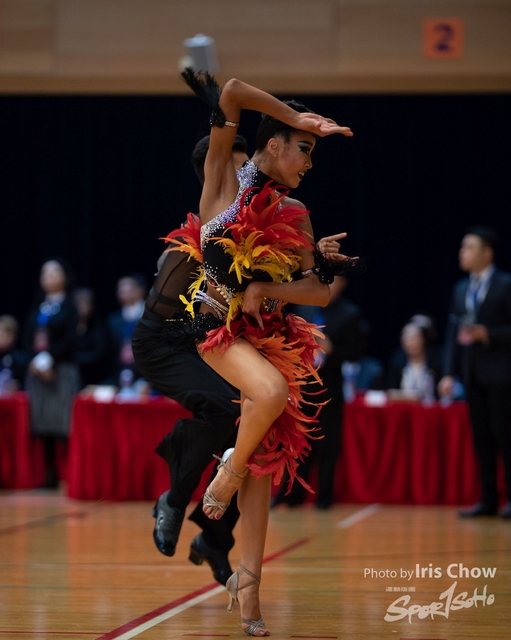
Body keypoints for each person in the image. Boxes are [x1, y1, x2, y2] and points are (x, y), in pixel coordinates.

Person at [165, 70, 355, 636]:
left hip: (270, 333)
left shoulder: (297, 213)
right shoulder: (225, 180)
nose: (310, 162)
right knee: (269, 394)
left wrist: (269, 287)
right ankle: (224, 476)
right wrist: (298, 116)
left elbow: (317, 292)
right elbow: (232, 91)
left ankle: (248, 589)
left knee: (266, 461)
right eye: (304, 149)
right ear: (273, 144)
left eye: (312, 152)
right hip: (216, 328)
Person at [133, 133, 347, 587]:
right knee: (229, 408)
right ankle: (175, 499)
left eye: (247, 166)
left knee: (255, 425)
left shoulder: (261, 222)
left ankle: (214, 537)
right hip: (166, 343)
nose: (246, 176)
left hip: (218, 338)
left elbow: (284, 280)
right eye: (235, 170)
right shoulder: (202, 235)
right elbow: (167, 318)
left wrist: (315, 262)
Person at [271, 276, 366, 509]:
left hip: (329, 388)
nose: (328, 285)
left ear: (343, 284)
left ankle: (324, 496)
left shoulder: (349, 314)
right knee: (297, 441)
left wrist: (333, 350)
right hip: (303, 386)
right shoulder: (305, 308)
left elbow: (356, 352)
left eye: (334, 281)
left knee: (328, 445)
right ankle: (291, 494)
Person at [438, 227, 511, 519]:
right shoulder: (460, 288)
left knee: (504, 436)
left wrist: (488, 334)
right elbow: (453, 335)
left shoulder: (505, 285)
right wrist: (448, 373)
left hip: (502, 374)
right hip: (473, 374)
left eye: (469, 247)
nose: (462, 253)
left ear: (487, 253)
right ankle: (488, 499)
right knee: (481, 438)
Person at [23, 259, 80, 488]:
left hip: (60, 370)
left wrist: (49, 359)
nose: (49, 277)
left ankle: (69, 474)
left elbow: (70, 339)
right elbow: (27, 336)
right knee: (42, 422)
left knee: (62, 422)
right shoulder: (38, 306)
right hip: (38, 372)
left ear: (65, 277)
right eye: (45, 273)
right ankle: (49, 474)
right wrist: (35, 360)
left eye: (55, 272)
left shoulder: (70, 306)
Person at [106, 273, 146, 385]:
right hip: (118, 377)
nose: (122, 290)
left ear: (140, 290)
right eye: (120, 288)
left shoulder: (154, 318)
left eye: (127, 287)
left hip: (148, 377)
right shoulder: (113, 320)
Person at [387, 321, 442, 399]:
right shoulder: (398, 361)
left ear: (423, 339)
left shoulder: (436, 360)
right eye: (406, 338)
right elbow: (391, 390)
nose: (409, 342)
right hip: (404, 405)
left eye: (414, 338)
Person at [74, 287, 108, 387]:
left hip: (95, 375)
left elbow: (99, 353)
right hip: (71, 374)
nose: (82, 308)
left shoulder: (99, 326)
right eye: (79, 304)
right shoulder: (67, 327)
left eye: (86, 303)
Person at [0, 315, 29, 391]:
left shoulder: (21, 359)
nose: (2, 337)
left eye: (7, 334)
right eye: (0, 334)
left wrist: (18, 386)